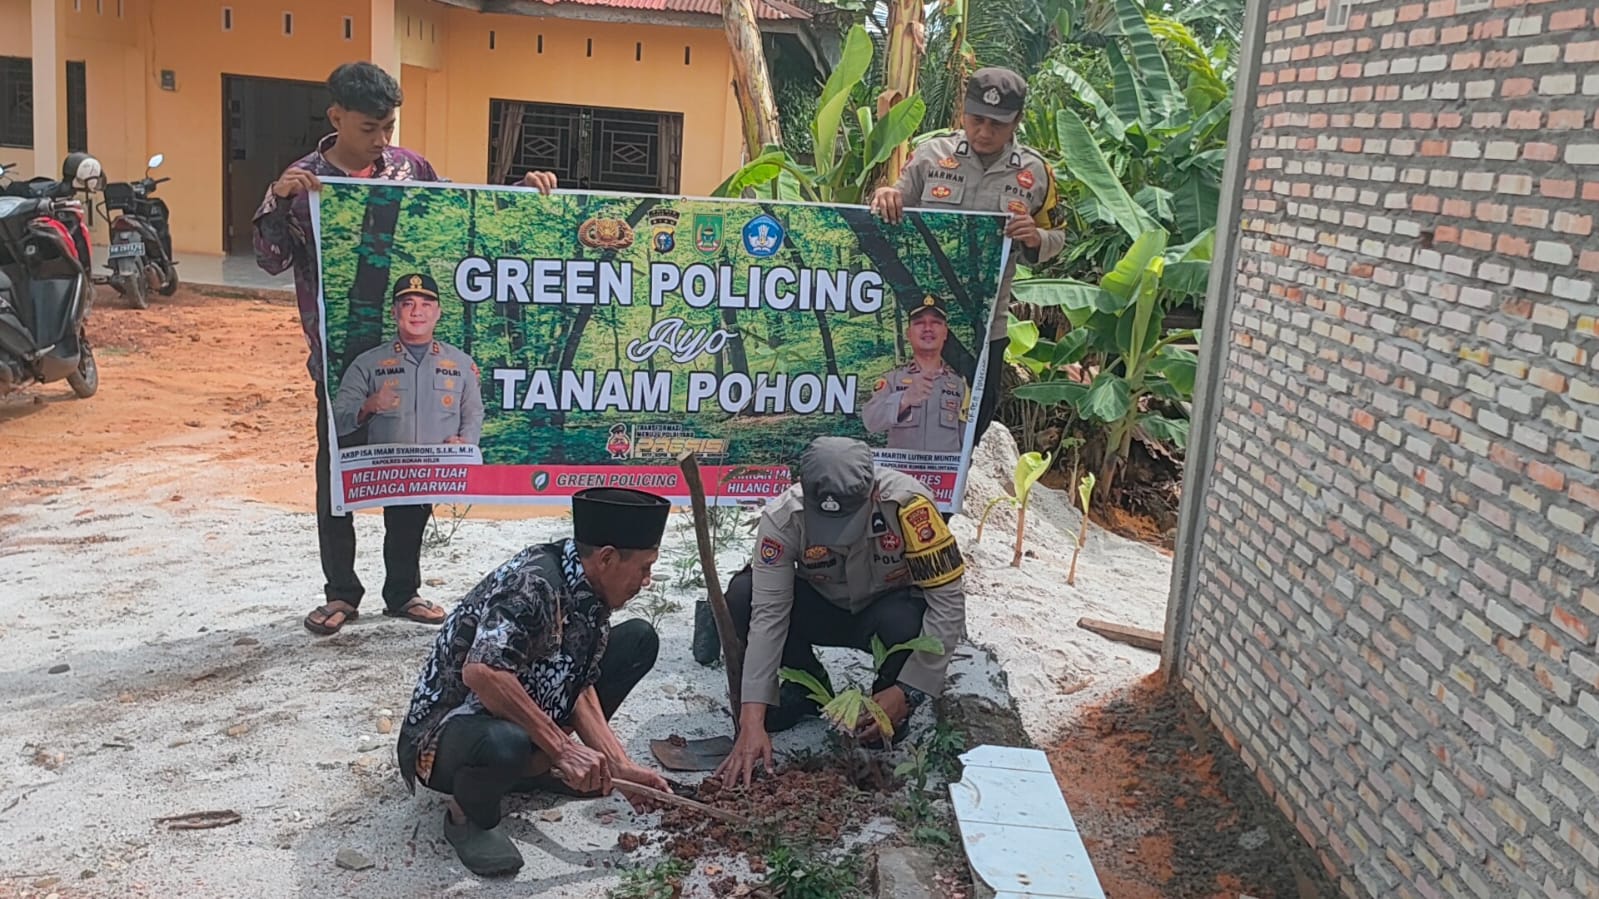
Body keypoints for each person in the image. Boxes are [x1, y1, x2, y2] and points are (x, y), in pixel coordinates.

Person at [252, 61, 558, 636]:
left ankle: (403, 589)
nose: (381, 139)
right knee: (339, 476)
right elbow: (270, 261)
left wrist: (519, 194)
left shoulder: (408, 168)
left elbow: (450, 208)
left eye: (388, 126)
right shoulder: (306, 180)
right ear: (336, 116)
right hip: (342, 361)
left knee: (412, 472)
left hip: (413, 356)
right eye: (369, 127)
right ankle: (340, 593)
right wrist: (276, 198)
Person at [396, 487, 674, 877]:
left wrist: (620, 766)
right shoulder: (534, 585)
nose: (647, 580)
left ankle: (535, 768)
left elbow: (577, 684)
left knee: (638, 640)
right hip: (445, 735)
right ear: (608, 558)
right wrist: (562, 748)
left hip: (514, 712)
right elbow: (482, 672)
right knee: (503, 742)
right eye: (644, 567)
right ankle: (467, 817)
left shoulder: (588, 588)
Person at [716, 437, 968, 788]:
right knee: (743, 596)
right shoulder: (783, 518)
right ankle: (806, 689)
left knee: (909, 620)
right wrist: (751, 720)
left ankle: (886, 706)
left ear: (872, 493)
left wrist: (909, 690)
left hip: (885, 612)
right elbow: (768, 617)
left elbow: (948, 601)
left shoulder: (910, 506)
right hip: (821, 608)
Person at [869, 66, 1065, 444]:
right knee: (910, 420)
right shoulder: (929, 156)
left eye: (997, 124)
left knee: (971, 424)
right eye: (976, 120)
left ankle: (948, 502)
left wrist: (1036, 238)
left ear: (1017, 122)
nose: (984, 132)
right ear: (963, 110)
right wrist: (885, 196)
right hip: (924, 323)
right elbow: (888, 213)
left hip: (987, 328)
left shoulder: (1036, 173)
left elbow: (1058, 236)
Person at [332, 272, 485, 447]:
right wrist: (366, 407)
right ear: (394, 312)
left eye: (426, 304)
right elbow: (337, 421)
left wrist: (465, 443)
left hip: (444, 470)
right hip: (388, 470)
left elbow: (473, 413)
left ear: (438, 313)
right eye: (407, 304)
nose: (417, 312)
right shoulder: (367, 364)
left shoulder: (462, 364)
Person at [861, 295, 971, 453]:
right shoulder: (891, 380)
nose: (928, 328)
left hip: (945, 475)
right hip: (900, 475)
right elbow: (871, 421)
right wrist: (905, 399)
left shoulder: (961, 386)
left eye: (936, 322)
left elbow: (967, 439)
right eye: (919, 323)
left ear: (945, 333)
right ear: (908, 334)